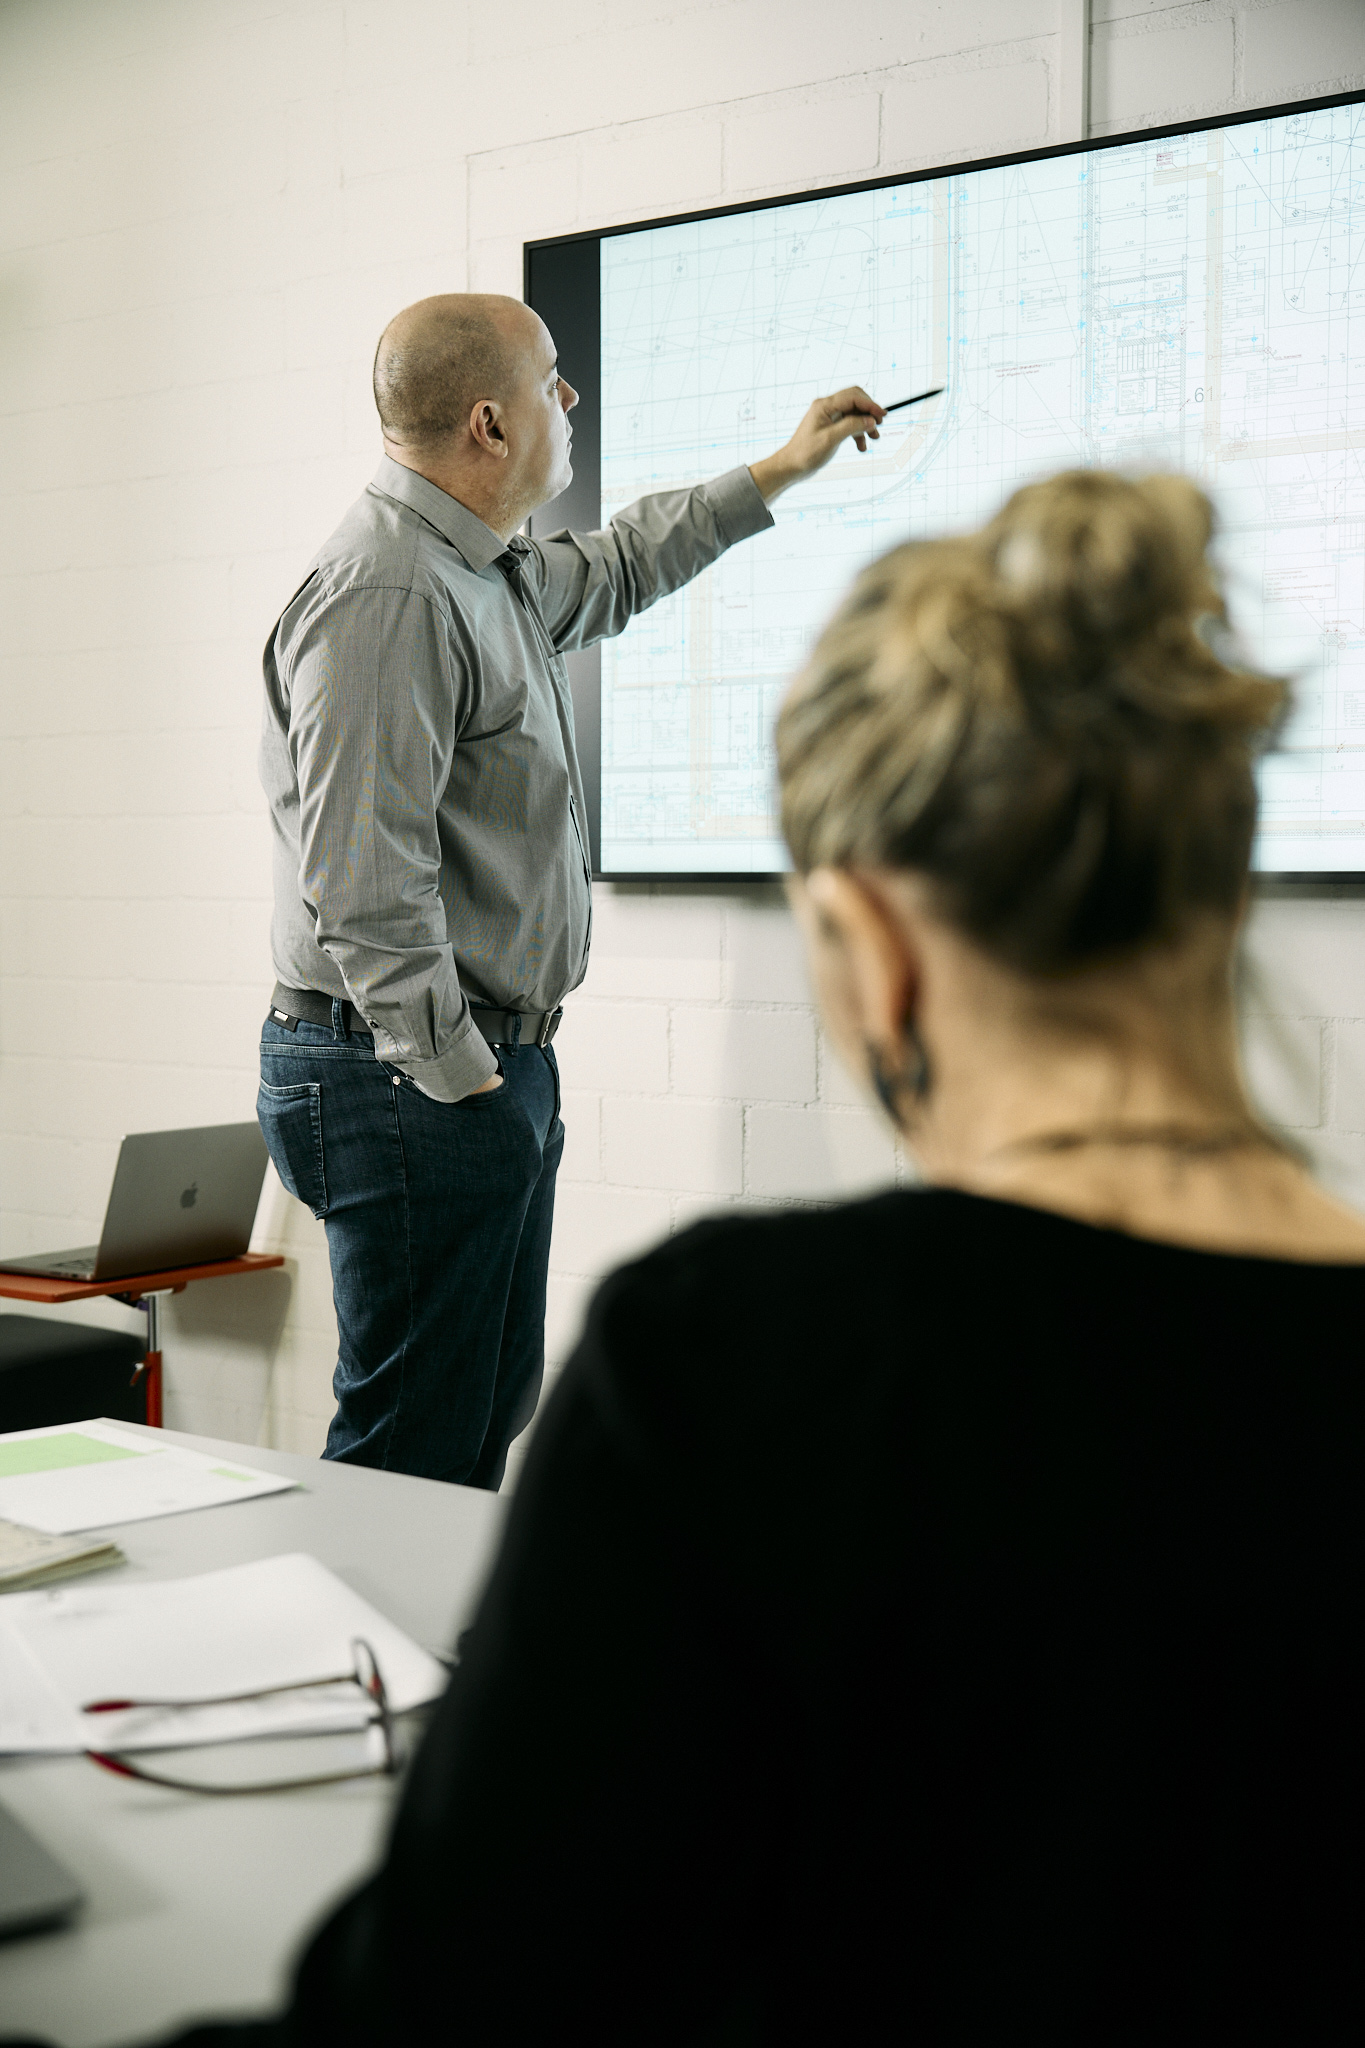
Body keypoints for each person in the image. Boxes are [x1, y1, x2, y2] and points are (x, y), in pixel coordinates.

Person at [159, 468, 1365, 2045]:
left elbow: (454, 2010)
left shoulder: (732, 1362)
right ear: (1216, 898)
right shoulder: (412, 587)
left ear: (869, 944)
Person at [256, 292, 887, 1487]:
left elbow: (625, 560)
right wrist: (464, 1078)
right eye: (552, 376)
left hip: (462, 1069)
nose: (572, 393)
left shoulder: (479, 570)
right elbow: (363, 885)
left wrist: (783, 465)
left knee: (472, 1419)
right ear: (489, 424)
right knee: (410, 1447)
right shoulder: (391, 594)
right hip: (405, 1076)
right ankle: (354, 1618)